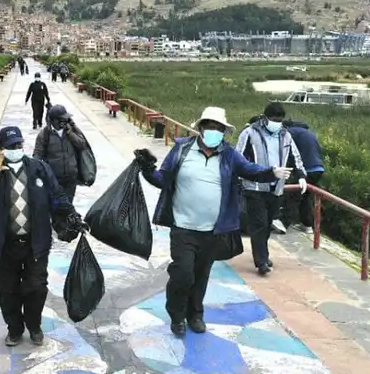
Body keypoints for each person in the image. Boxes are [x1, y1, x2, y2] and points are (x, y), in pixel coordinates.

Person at [133, 106, 292, 337]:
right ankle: (177, 316)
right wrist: (147, 169)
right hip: (183, 227)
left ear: (224, 132)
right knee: (183, 274)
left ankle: (195, 315)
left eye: (219, 128)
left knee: (201, 274)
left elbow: (249, 169)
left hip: (213, 230)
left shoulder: (228, 154)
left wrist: (272, 172)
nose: (214, 131)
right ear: (200, 128)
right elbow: (163, 179)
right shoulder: (182, 149)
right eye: (210, 127)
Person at [0, 126, 85, 347]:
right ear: (1, 149)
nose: (17, 149)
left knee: (36, 287)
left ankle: (34, 327)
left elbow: (57, 194)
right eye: (11, 146)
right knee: (7, 289)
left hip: (35, 242)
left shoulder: (38, 168)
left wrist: (72, 216)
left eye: (19, 145)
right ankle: (14, 329)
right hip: (5, 245)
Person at [236, 102, 307, 276]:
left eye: (280, 120)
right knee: (259, 224)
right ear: (265, 118)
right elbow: (238, 156)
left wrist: (301, 176)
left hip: (276, 188)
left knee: (268, 224)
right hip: (255, 186)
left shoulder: (285, 135)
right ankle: (261, 262)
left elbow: (295, 156)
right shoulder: (250, 133)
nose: (277, 123)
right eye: (274, 120)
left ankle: (263, 254)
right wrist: (239, 176)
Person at [33, 105, 89, 201]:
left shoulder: (71, 130)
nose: (65, 121)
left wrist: (71, 134)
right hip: (53, 179)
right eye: (62, 119)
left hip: (71, 178)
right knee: (56, 208)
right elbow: (37, 155)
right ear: (54, 120)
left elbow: (82, 145)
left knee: (68, 206)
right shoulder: (44, 134)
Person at [283, 119, 324, 234]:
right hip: (318, 168)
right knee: (304, 196)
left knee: (293, 196)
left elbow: (287, 152)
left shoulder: (290, 132)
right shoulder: (308, 133)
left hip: (307, 169)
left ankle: (282, 222)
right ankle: (307, 225)